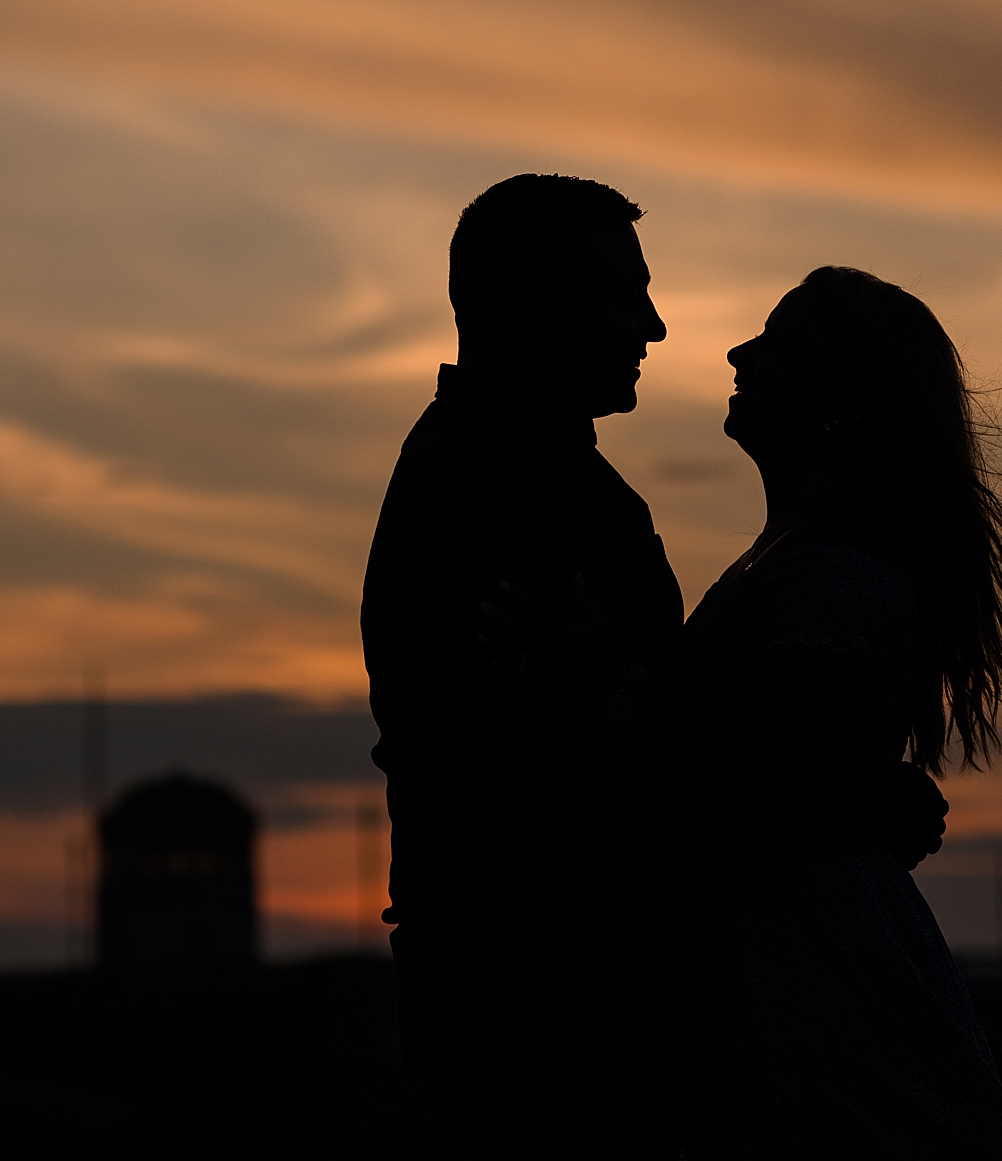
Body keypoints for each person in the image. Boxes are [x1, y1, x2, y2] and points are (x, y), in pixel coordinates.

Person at [363, 180, 948, 1159]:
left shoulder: (540, 480)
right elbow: (602, 781)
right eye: (622, 294)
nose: (657, 325)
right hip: (557, 1009)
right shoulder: (503, 496)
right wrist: (858, 809)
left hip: (568, 999)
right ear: (538, 301)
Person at [484, 266, 1002, 1159]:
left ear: (849, 401)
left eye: (780, 343)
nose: (739, 352)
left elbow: (788, 766)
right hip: (773, 950)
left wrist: (617, 687)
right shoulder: (797, 553)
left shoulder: (839, 572)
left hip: (810, 960)